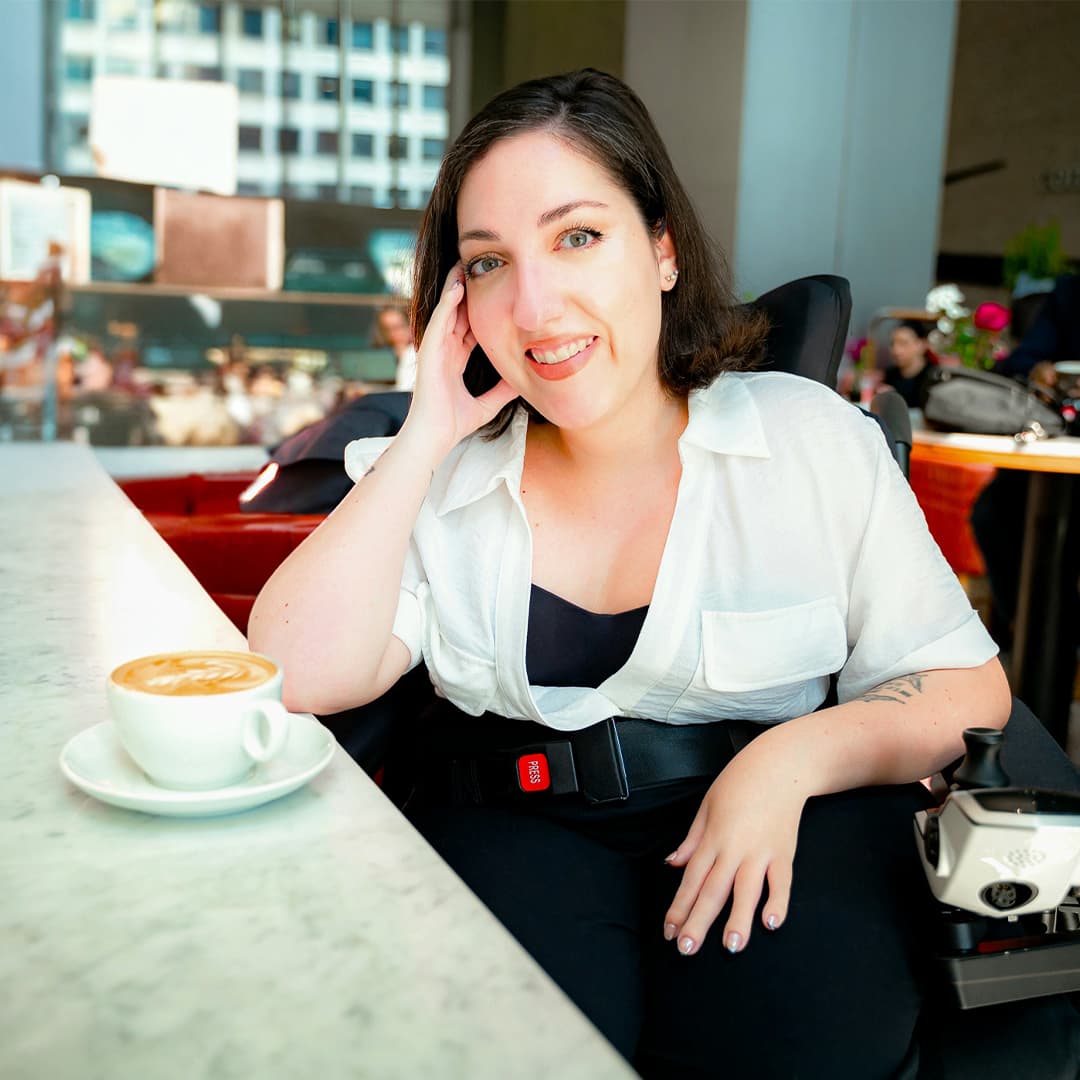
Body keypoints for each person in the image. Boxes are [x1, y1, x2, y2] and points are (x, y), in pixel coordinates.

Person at [248, 71, 1067, 1077]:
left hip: (777, 819)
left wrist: (789, 761)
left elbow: (964, 685)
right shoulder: (439, 472)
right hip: (515, 817)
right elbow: (293, 671)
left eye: (577, 236)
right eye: (490, 261)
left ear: (664, 250)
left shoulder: (809, 443)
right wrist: (426, 431)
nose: (537, 303)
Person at [883, 318, 936, 407]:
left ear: (921, 345)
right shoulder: (890, 375)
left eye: (903, 343)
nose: (896, 350)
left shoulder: (934, 376)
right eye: (892, 343)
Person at [374, 304, 419, 390]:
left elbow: (403, 393)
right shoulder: (392, 353)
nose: (392, 334)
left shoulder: (412, 353)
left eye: (398, 327)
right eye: (386, 329)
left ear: (412, 325)